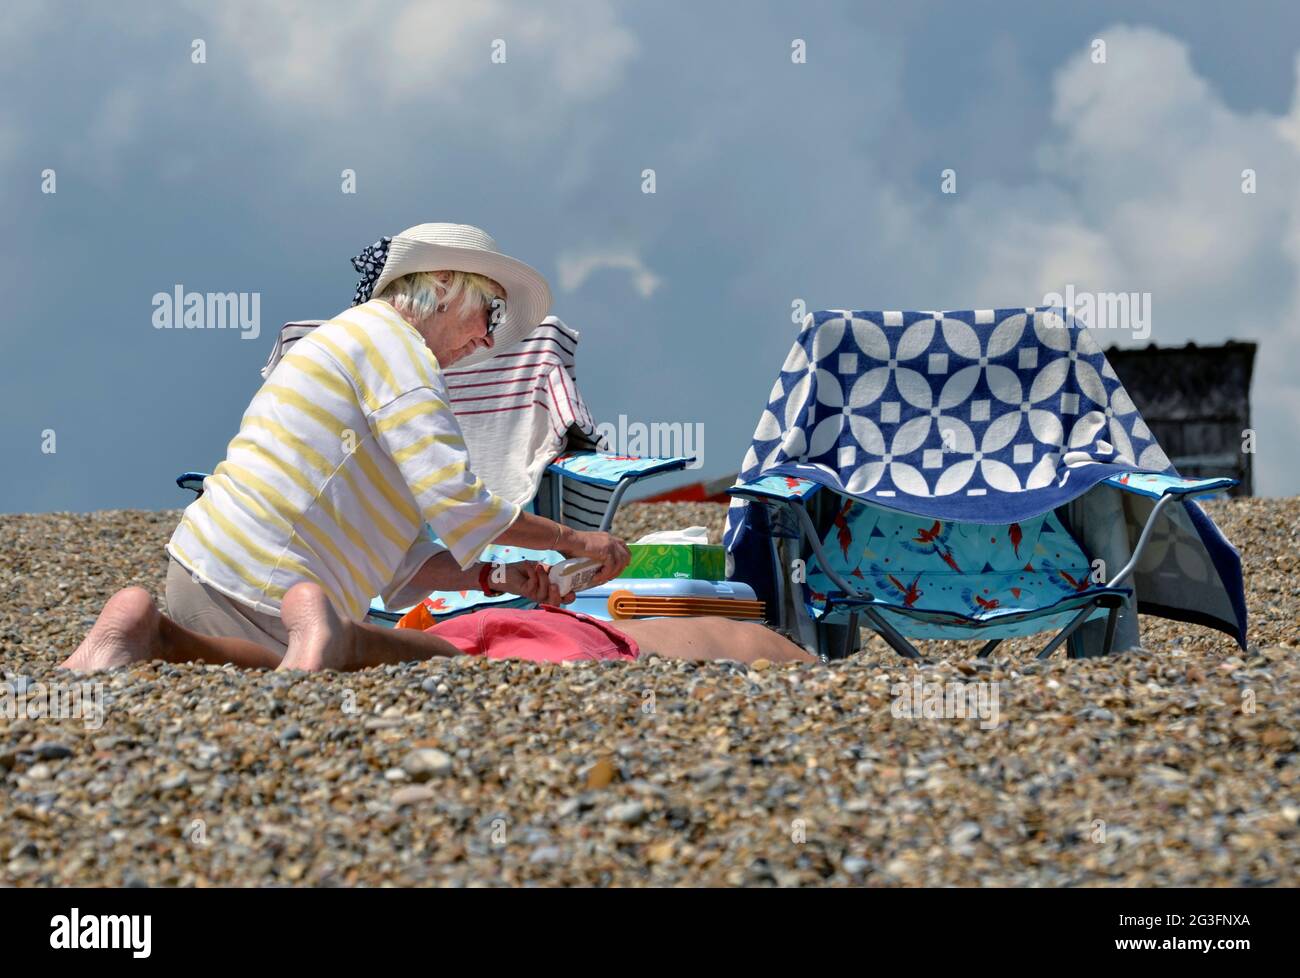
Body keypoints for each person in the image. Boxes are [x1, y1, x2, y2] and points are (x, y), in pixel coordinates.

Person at [63, 223, 631, 672]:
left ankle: (155, 630)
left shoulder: (356, 339)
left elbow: (402, 562)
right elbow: (460, 502)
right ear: (440, 286)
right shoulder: (399, 351)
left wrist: (497, 578)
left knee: (288, 655)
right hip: (270, 592)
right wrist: (576, 539)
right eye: (490, 313)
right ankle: (206, 636)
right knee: (435, 658)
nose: (487, 337)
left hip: (209, 569)